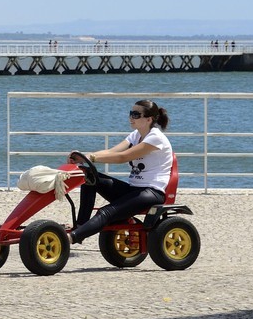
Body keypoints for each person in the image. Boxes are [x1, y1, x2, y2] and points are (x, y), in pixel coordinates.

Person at [67, 99, 174, 244]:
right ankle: (80, 226)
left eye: (136, 114)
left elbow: (123, 157)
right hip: (134, 190)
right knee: (88, 176)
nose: (131, 117)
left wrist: (91, 157)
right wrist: (83, 158)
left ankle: (70, 238)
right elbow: (111, 152)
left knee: (105, 212)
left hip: (152, 192)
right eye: (131, 113)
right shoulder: (136, 135)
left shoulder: (155, 138)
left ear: (149, 119)